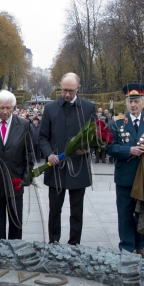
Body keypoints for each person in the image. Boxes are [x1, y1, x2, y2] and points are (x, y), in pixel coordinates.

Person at [39, 73, 96, 246]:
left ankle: (74, 244)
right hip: (56, 168)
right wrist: (49, 154)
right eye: (64, 90)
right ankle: (53, 241)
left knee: (76, 211)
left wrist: (88, 147)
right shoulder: (50, 108)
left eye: (71, 91)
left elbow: (95, 136)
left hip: (78, 167)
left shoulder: (88, 107)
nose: (67, 94)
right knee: (54, 210)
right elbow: (42, 137)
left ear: (78, 88)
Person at [108, 84, 144, 258]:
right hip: (125, 176)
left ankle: (140, 244)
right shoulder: (116, 122)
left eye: (136, 101)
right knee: (125, 213)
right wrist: (128, 150)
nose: (132, 105)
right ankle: (127, 246)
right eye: (129, 101)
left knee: (142, 211)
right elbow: (109, 147)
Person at [0, 90, 35, 240]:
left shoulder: (24, 124)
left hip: (15, 181)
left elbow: (29, 152)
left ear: (14, 108)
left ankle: (16, 250)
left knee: (16, 221)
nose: (4, 112)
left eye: (8, 108)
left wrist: (27, 174)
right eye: (1, 108)